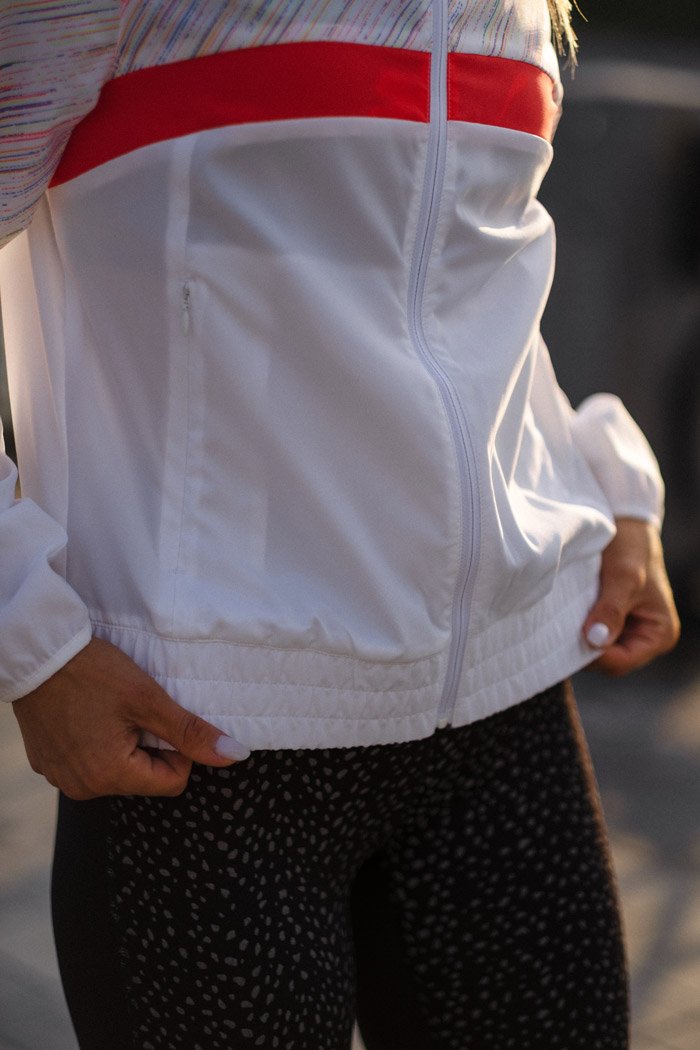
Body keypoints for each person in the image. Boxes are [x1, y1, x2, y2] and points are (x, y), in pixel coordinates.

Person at [0, 1, 680, 1047]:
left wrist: (602, 481)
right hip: (203, 742)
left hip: (509, 713)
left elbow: (459, 286)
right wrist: (30, 636)